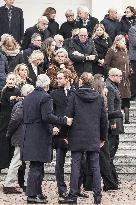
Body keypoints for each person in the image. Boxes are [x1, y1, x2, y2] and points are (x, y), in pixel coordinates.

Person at [21, 74, 72, 204]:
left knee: (36, 165)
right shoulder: (45, 97)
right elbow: (47, 116)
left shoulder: (28, 97)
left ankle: (37, 193)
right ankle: (32, 195)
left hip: (28, 134)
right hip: (39, 135)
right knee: (36, 167)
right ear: (47, 85)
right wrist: (63, 120)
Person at [59, 72, 108, 204]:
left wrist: (64, 134)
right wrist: (103, 137)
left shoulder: (74, 95)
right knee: (95, 166)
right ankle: (97, 196)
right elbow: (104, 119)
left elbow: (68, 116)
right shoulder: (98, 97)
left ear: (81, 81)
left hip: (76, 135)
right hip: (93, 136)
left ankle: (73, 195)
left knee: (75, 165)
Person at [3, 84, 34, 194]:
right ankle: (8, 184)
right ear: (28, 93)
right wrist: (9, 134)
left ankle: (25, 183)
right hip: (21, 137)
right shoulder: (22, 105)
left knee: (22, 161)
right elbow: (14, 121)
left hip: (24, 137)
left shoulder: (23, 104)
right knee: (17, 161)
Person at [50, 69, 76, 202]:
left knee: (78, 162)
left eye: (60, 78)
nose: (57, 80)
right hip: (59, 131)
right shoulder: (53, 93)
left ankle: (75, 189)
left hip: (75, 132)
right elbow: (50, 112)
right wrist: (53, 126)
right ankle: (62, 189)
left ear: (67, 79)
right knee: (59, 162)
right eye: (57, 78)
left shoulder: (76, 92)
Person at [104, 35, 131, 123]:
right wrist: (113, 72)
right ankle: (116, 121)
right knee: (116, 100)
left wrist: (129, 70)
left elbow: (127, 63)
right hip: (115, 81)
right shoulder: (112, 51)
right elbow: (106, 65)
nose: (124, 43)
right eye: (122, 41)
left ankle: (127, 120)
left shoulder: (125, 51)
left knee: (126, 99)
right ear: (117, 42)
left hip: (125, 80)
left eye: (124, 41)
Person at [106, 68, 124, 185]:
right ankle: (112, 179)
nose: (121, 78)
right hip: (113, 123)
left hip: (116, 121)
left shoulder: (113, 85)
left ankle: (113, 178)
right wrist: (112, 122)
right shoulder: (110, 87)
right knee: (110, 152)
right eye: (119, 76)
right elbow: (111, 107)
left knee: (113, 150)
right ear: (113, 76)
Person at [0, 72, 21, 172]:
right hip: (3, 120)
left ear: (15, 81)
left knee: (11, 141)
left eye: (13, 79)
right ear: (6, 80)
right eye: (10, 79)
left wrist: (16, 98)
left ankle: (9, 163)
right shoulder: (3, 91)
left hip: (13, 119)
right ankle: (2, 163)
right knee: (3, 140)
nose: (11, 81)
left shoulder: (18, 91)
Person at [128, 23, 136, 100]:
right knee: (133, 77)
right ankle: (133, 95)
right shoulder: (132, 29)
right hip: (134, 58)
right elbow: (134, 43)